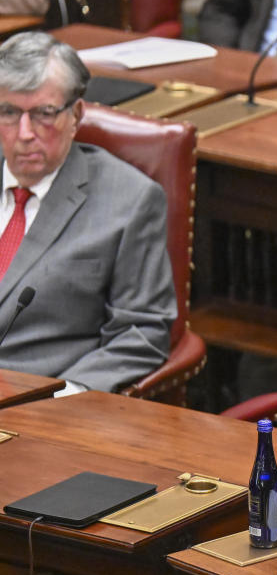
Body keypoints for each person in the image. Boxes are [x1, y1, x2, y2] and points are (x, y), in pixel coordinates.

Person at [0, 32, 176, 394]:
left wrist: (70, 393)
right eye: (8, 112)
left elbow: (141, 331)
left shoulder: (130, 200)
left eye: (44, 114)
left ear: (76, 114)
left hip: (35, 403)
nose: (24, 133)